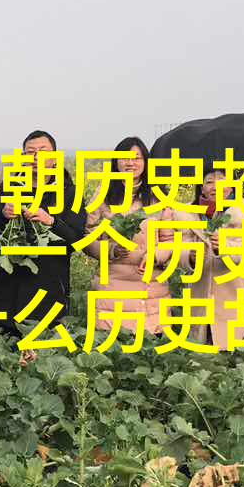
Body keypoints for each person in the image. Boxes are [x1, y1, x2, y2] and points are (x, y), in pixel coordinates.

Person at [82, 136, 194, 337]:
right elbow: (88, 235)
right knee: (114, 348)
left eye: (136, 158)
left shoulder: (158, 195)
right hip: (113, 286)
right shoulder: (103, 194)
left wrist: (155, 256)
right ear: (116, 162)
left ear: (145, 162)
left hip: (151, 288)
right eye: (125, 158)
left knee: (151, 348)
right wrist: (112, 250)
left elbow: (169, 240)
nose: (130, 163)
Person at [0, 129, 84, 334]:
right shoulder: (9, 187)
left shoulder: (70, 193)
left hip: (49, 288)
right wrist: (3, 214)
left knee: (44, 347)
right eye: (30, 152)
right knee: (5, 345)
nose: (36, 157)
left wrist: (52, 222)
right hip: (9, 288)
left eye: (43, 151)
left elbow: (76, 240)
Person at [185, 169, 244, 348]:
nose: (215, 187)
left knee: (233, 355)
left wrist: (224, 246)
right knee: (201, 356)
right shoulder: (189, 215)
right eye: (209, 181)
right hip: (200, 298)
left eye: (222, 180)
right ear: (202, 188)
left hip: (234, 297)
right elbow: (178, 248)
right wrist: (189, 256)